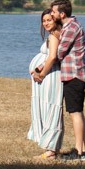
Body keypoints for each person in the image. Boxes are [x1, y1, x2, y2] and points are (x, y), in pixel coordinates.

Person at [32, 0, 85, 160]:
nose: (52, 14)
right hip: (72, 74)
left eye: (54, 12)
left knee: (75, 112)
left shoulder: (71, 28)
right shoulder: (69, 26)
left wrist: (40, 71)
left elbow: (58, 54)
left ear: (62, 14)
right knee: (76, 111)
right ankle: (81, 149)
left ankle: (80, 153)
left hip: (74, 74)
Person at [26, 10, 63, 160]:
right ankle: (50, 147)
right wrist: (38, 68)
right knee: (47, 109)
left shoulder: (54, 36)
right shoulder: (55, 35)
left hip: (51, 77)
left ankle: (51, 150)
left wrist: (41, 75)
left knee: (50, 110)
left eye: (49, 20)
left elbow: (53, 57)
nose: (46, 23)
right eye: (44, 20)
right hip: (48, 75)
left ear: (55, 20)